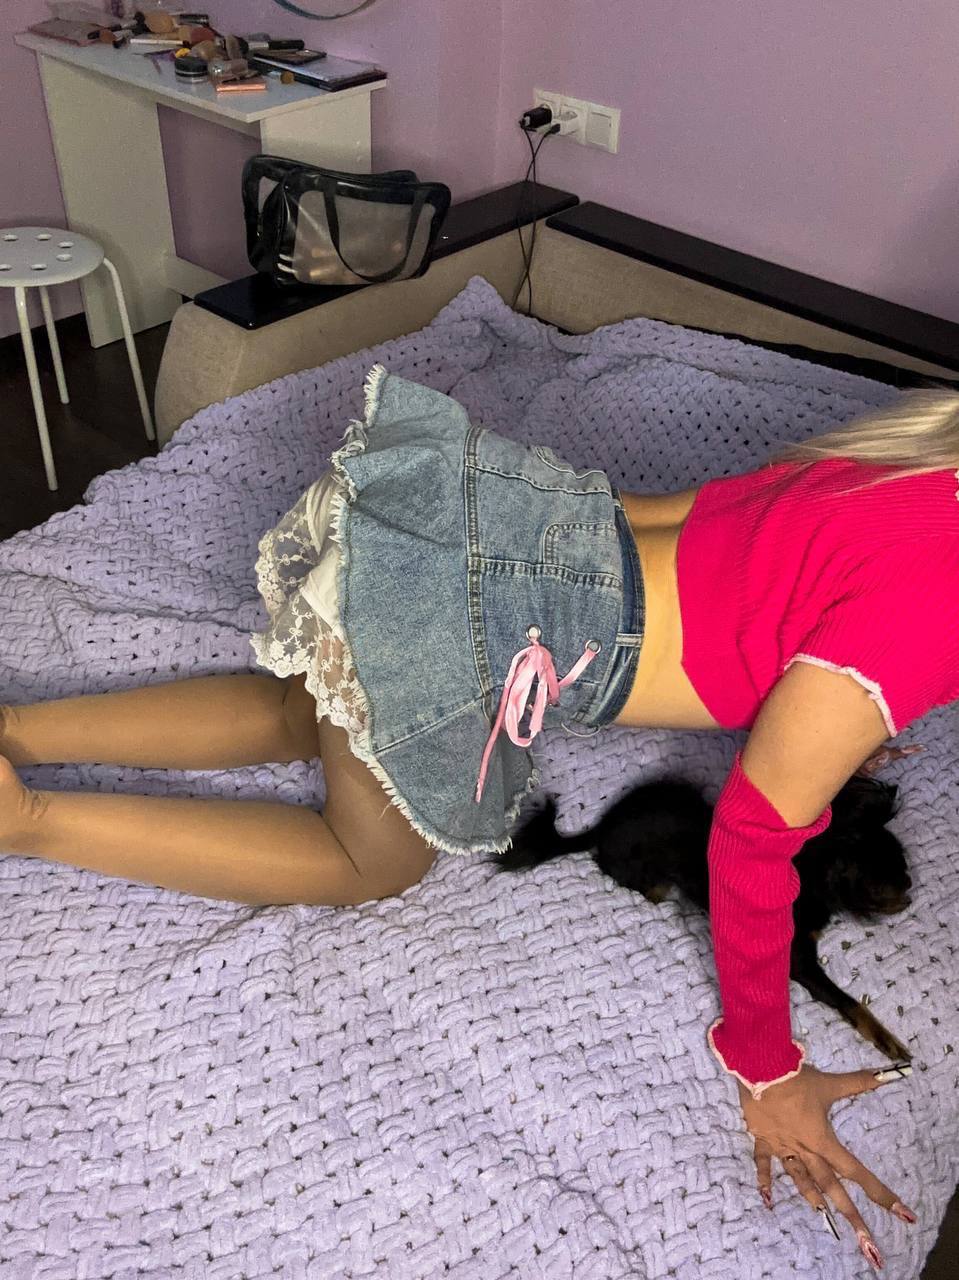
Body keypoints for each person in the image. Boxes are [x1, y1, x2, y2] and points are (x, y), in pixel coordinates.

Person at [0, 366, 951, 1270]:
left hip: (475, 514)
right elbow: (750, 841)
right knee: (375, 861)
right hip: (461, 607)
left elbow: (727, 550)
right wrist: (767, 1070)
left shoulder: (919, 463)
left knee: (311, 711)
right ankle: (24, 817)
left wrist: (826, 717)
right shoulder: (935, 609)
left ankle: (14, 728)